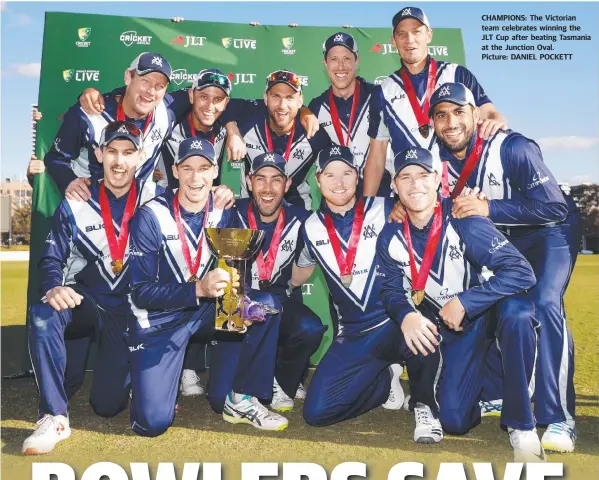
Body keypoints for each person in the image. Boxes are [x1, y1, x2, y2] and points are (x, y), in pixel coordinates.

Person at [427, 82, 583, 453]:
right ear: (433, 122)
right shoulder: (435, 156)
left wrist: (489, 209)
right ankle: (499, 391)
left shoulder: (512, 147)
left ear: (475, 113)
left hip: (549, 232)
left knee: (545, 303)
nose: (450, 123)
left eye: (459, 112)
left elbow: (555, 207)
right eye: (441, 115)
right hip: (503, 237)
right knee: (507, 308)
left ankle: (559, 415)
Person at [377, 146, 543, 461]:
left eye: (423, 176)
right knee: (453, 420)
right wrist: (405, 316)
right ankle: (493, 385)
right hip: (455, 331)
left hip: (486, 317)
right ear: (394, 186)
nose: (415, 185)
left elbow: (522, 272)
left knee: (518, 312)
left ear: (438, 179)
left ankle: (522, 425)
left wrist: (467, 301)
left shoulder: (462, 218)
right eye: (405, 177)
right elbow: (389, 289)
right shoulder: (390, 236)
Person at [126, 137, 287, 436]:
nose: (195, 177)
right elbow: (140, 292)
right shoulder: (151, 216)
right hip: (158, 322)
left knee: (266, 305)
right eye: (187, 168)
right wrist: (198, 288)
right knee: (153, 424)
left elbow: (237, 266)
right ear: (175, 171)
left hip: (201, 313)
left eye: (203, 168)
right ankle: (143, 380)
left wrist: (238, 298)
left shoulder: (224, 210)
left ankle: (240, 397)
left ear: (215, 172)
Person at [23, 121, 160, 455]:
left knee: (106, 406)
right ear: (99, 154)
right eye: (111, 151)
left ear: (140, 157)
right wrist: (54, 286)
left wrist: (222, 193)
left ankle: (130, 380)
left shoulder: (156, 197)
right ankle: (54, 417)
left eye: (128, 153)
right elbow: (51, 258)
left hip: (129, 311)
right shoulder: (76, 199)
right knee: (44, 312)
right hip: (89, 300)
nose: (118, 161)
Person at [296, 145, 441, 443]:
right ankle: (383, 379)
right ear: (318, 179)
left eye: (347, 173)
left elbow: (428, 212)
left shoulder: (387, 207)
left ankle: (423, 403)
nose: (339, 182)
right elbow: (300, 272)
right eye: (331, 174)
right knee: (317, 413)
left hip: (395, 323)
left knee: (422, 324)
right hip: (355, 335)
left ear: (358, 176)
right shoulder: (309, 227)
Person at [363, 6, 507, 196]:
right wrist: (367, 203)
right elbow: (377, 155)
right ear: (393, 41)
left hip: (459, 191)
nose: (409, 40)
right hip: (412, 196)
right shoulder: (383, 90)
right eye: (402, 34)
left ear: (429, 35)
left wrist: (496, 119)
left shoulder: (457, 74)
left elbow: (489, 113)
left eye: (416, 32)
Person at [234, 152, 326, 411]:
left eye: (276, 180)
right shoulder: (231, 212)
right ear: (249, 181)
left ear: (287, 185)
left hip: (280, 304)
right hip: (236, 305)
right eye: (260, 179)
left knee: (310, 328)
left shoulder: (302, 218)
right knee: (221, 398)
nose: (267, 188)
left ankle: (281, 381)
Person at [45, 52, 187, 200]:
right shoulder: (89, 114)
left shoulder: (167, 110)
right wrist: (69, 181)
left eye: (159, 86)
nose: (151, 91)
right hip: (94, 209)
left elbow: (203, 92)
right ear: (128, 77)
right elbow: (56, 158)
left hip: (140, 210)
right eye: (145, 81)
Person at [222, 69, 331, 210]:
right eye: (276, 96)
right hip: (251, 210)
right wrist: (232, 131)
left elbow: (333, 176)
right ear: (265, 98)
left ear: (300, 101)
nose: (282, 105)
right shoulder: (251, 115)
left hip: (296, 211)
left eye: (290, 97)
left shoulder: (313, 133)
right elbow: (221, 105)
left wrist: (305, 111)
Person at [308, 32, 394, 196]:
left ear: (357, 61)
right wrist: (304, 112)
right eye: (334, 59)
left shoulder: (379, 96)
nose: (341, 66)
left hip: (382, 194)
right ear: (325, 63)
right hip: (339, 195)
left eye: (347, 58)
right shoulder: (317, 107)